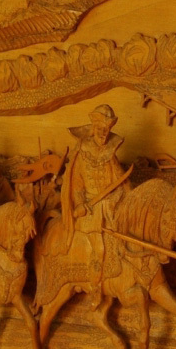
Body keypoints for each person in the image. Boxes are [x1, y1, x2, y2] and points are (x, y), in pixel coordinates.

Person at [60, 105, 131, 270]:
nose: (103, 133)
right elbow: (77, 184)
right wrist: (80, 204)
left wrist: (120, 200)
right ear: (93, 127)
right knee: (96, 247)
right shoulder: (83, 152)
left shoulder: (110, 154)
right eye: (100, 128)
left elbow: (122, 183)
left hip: (110, 206)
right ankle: (94, 276)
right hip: (89, 209)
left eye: (107, 129)